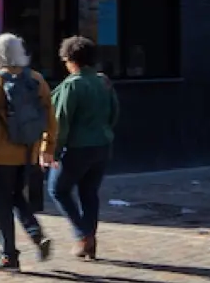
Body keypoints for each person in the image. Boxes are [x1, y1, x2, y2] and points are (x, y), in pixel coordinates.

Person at [0, 33, 57, 272]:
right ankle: (36, 233)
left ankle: (8, 256)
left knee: (2, 204)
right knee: (16, 196)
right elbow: (50, 117)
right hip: (28, 152)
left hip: (1, 154)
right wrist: (47, 147)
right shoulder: (37, 79)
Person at [44, 36, 119, 262]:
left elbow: (61, 122)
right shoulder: (103, 82)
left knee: (58, 189)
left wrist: (53, 152)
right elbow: (114, 112)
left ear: (70, 60)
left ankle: (83, 235)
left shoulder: (72, 85)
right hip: (102, 145)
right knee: (89, 192)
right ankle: (90, 239)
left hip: (77, 148)